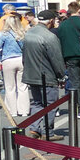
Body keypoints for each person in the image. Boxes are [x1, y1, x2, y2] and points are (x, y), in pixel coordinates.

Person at [21, 10, 67, 139]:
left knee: (37, 103)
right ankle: (48, 132)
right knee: (50, 104)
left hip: (31, 74)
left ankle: (34, 129)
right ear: (51, 21)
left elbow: (24, 56)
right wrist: (61, 75)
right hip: (47, 76)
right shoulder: (49, 36)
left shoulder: (29, 33)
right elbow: (56, 59)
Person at [56, 1, 80, 117]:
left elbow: (59, 41)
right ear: (79, 10)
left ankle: (79, 108)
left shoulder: (62, 25)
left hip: (69, 56)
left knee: (75, 82)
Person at [0, 11, 31, 117]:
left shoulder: (3, 33)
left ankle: (12, 111)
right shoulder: (22, 32)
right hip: (21, 60)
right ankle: (24, 110)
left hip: (8, 60)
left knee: (10, 87)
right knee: (23, 87)